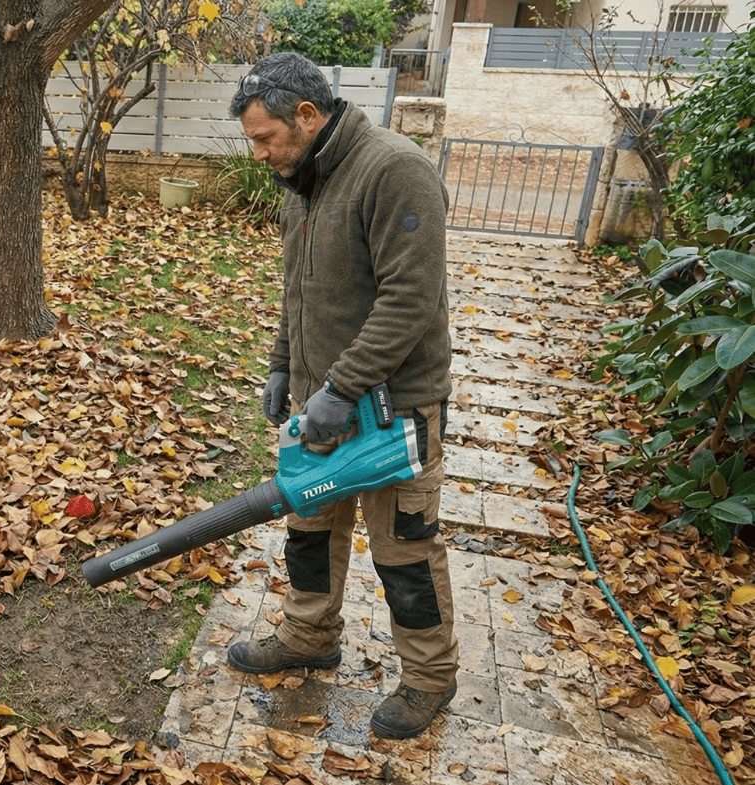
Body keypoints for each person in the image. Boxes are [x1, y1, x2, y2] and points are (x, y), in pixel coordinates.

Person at [224, 52, 459, 740]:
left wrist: (343, 386)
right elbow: (298, 292)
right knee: (309, 528)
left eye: (266, 138)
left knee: (404, 549)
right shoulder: (301, 179)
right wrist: (283, 368)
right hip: (319, 402)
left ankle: (429, 677)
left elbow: (410, 299)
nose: (260, 154)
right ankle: (308, 635)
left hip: (393, 408)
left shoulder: (394, 170)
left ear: (307, 115)